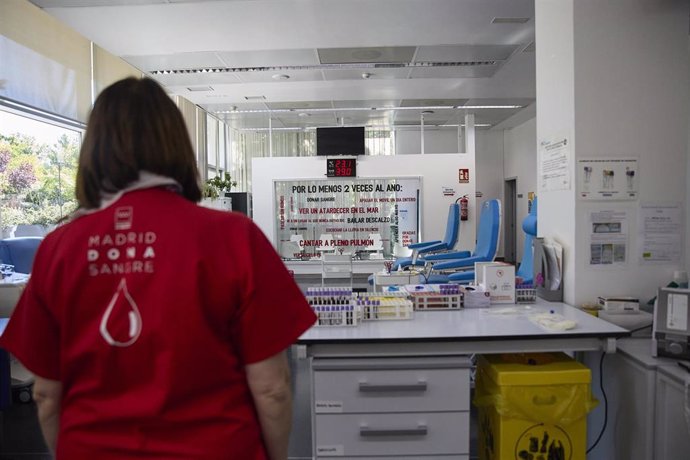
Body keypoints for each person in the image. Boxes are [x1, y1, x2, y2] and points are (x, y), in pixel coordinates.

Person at [0, 77, 316, 459]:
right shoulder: (233, 237)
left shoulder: (59, 248)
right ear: (177, 145)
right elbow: (272, 388)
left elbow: (47, 394)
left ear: (94, 149)